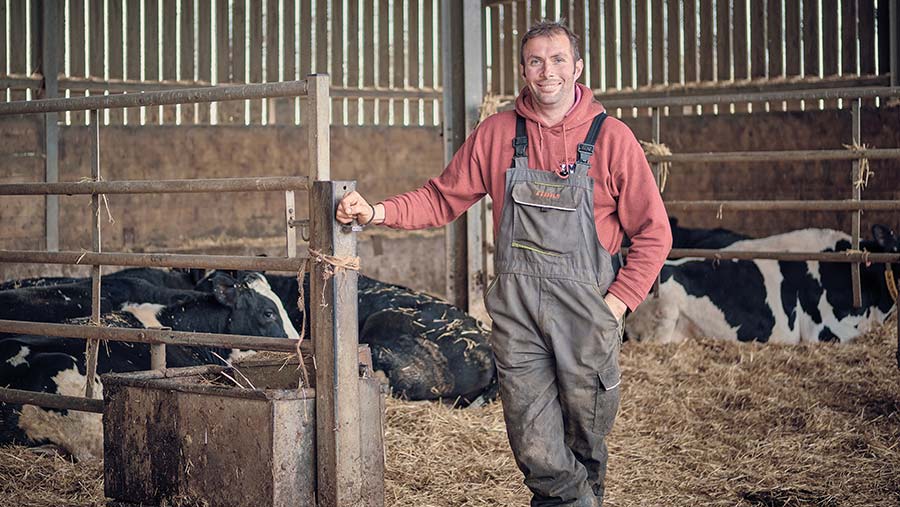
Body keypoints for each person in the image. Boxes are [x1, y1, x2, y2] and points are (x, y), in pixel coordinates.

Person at [337, 20, 671, 507]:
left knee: (586, 444)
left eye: (558, 60)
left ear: (577, 68)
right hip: (520, 320)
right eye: (535, 61)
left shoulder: (612, 139)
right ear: (523, 69)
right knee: (536, 444)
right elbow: (440, 198)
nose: (547, 71)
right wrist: (376, 212)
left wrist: (617, 305)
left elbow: (654, 233)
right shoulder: (497, 134)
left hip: (588, 319)